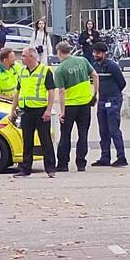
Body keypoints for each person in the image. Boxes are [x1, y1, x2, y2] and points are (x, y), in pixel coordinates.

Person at [10, 47, 56, 178]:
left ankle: (51, 168)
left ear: (31, 57)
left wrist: (48, 110)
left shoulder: (45, 70)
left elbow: (51, 91)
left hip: (41, 110)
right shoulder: (22, 72)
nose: (22, 58)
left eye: (24, 56)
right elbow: (17, 92)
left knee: (45, 140)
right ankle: (25, 169)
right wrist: (13, 109)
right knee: (27, 140)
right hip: (26, 110)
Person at [53, 41, 98, 172]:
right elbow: (95, 76)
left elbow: (61, 92)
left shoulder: (60, 69)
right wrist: (94, 95)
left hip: (70, 105)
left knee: (65, 135)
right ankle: (81, 163)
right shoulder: (83, 61)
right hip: (85, 104)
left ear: (59, 53)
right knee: (83, 134)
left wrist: (62, 111)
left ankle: (63, 164)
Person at [91, 42, 128, 168]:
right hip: (102, 100)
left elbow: (122, 82)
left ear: (104, 53)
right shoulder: (95, 66)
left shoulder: (112, 66)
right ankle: (105, 157)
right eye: (94, 52)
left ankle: (121, 157)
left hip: (113, 99)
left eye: (98, 53)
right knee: (103, 130)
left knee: (114, 129)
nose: (95, 55)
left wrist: (114, 94)